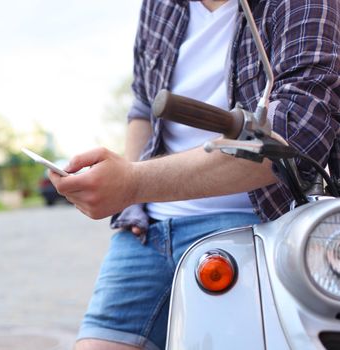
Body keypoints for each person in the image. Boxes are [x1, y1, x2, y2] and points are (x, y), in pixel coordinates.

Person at [50, 0, 340, 349]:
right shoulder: (159, 5)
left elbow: (295, 130)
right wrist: (131, 201)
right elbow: (143, 105)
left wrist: (132, 183)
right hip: (148, 227)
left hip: (254, 226)